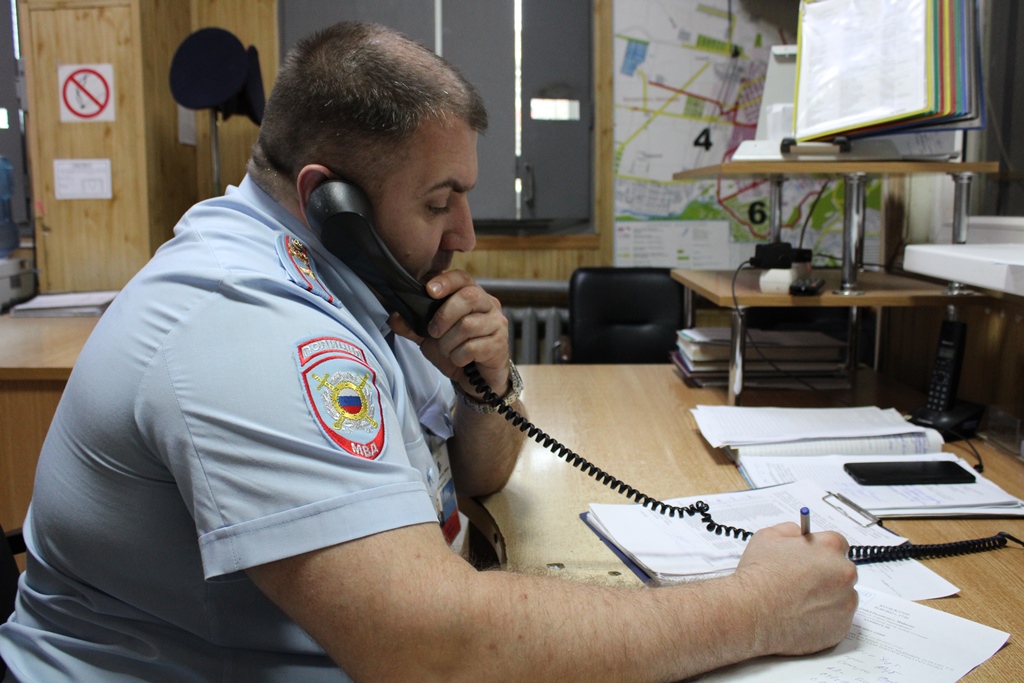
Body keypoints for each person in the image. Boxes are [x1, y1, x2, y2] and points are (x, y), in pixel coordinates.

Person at [0, 21, 857, 682]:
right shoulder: (246, 320)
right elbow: (432, 652)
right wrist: (757, 608)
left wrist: (489, 379)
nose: (466, 233)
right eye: (440, 200)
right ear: (328, 197)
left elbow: (480, 474)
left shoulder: (346, 277)